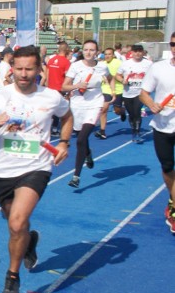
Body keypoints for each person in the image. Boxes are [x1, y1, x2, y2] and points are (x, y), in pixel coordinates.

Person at [0, 45, 73, 293]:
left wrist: (63, 142)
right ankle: (29, 242)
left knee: (17, 222)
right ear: (12, 69)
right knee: (13, 222)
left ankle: (12, 277)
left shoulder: (50, 97)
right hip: (3, 170)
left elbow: (68, 115)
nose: (24, 74)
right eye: (19, 69)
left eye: (30, 69)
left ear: (39, 69)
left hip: (36, 168)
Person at [139, 32, 175, 233]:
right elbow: (143, 93)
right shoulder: (158, 68)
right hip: (162, 125)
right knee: (167, 166)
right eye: (173, 44)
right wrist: (151, 104)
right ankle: (172, 198)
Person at [62, 40, 111, 188]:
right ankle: (88, 153)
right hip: (77, 104)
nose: (88, 52)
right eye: (86, 50)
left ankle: (76, 176)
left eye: (92, 50)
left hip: (94, 104)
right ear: (82, 51)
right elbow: (64, 86)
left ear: (97, 52)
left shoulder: (102, 67)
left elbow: (109, 79)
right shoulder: (75, 66)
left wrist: (111, 92)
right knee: (81, 137)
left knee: (81, 139)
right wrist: (77, 85)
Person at [116, 44, 152, 143]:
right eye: (135, 51)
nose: (137, 53)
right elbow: (117, 75)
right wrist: (122, 80)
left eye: (139, 51)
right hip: (127, 92)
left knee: (137, 112)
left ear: (143, 52)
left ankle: (137, 132)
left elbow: (153, 76)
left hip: (140, 93)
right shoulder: (125, 64)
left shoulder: (148, 64)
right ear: (131, 53)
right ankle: (133, 130)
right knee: (131, 114)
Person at [97, 47, 124, 140]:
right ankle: (102, 131)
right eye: (106, 54)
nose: (107, 56)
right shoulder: (101, 64)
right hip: (105, 89)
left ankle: (122, 111)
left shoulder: (118, 63)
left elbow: (123, 73)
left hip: (118, 89)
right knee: (103, 109)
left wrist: (121, 78)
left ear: (113, 55)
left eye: (109, 54)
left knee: (117, 111)